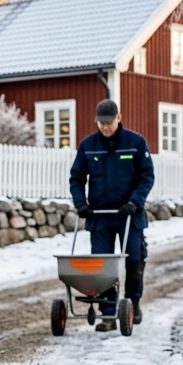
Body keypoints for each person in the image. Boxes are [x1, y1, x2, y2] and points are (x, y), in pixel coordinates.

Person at [69, 98, 156, 330]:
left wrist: (135, 202)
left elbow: (147, 177)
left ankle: (133, 303)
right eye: (101, 123)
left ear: (118, 118)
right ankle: (107, 315)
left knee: (135, 263)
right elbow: (76, 179)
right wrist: (82, 203)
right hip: (100, 216)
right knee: (102, 266)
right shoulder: (88, 145)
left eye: (109, 122)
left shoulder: (135, 143)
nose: (105, 127)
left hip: (130, 215)